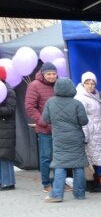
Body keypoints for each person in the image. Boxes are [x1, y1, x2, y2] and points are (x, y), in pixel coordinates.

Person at [41, 78, 89, 202]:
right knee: (78, 165)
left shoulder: (50, 102)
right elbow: (84, 121)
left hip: (59, 138)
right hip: (76, 138)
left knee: (60, 165)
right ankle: (79, 194)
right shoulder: (77, 103)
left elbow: (45, 120)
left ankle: (57, 194)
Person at [24, 61, 57, 192]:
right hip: (45, 129)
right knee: (46, 157)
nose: (52, 76)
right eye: (49, 74)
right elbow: (30, 106)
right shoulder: (34, 85)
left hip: (60, 128)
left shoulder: (58, 84)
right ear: (43, 74)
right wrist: (42, 120)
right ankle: (46, 183)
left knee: (59, 157)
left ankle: (58, 181)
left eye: (54, 74)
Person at [75, 71, 101, 193]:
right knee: (90, 160)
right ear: (83, 84)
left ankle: (95, 183)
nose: (90, 86)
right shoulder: (80, 97)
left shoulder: (96, 95)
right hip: (90, 132)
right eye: (87, 83)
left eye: (93, 83)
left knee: (94, 160)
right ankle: (92, 185)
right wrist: (85, 135)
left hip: (97, 132)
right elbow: (82, 118)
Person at [0, 66, 16, 191]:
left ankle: (8, 182)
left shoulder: (8, 90)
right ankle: (3, 181)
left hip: (5, 127)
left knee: (5, 156)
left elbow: (10, 109)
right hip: (3, 128)